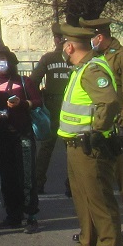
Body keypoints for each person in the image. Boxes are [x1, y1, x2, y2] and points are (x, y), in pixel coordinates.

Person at [54, 23, 123, 246]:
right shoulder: (80, 69)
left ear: (70, 47)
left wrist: (97, 129)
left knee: (100, 204)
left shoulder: (92, 70)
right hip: (76, 146)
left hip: (90, 147)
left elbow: (110, 101)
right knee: (83, 202)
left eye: (64, 44)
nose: (62, 48)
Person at [81, 17, 123, 241]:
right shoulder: (94, 57)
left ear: (99, 37)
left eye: (90, 38)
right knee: (98, 177)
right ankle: (99, 228)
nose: (88, 42)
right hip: (99, 126)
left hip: (119, 126)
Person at [0, 44, 40, 233]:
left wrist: (23, 103)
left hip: (23, 133)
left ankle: (31, 216)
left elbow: (38, 101)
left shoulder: (23, 81)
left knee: (27, 175)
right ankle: (13, 215)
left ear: (10, 61)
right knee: (8, 176)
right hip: (2, 135)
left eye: (3, 59)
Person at [30, 24, 73, 195]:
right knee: (72, 147)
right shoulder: (76, 59)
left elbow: (32, 82)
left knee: (46, 147)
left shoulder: (48, 59)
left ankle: (38, 183)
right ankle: (72, 185)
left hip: (51, 107)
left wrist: (39, 99)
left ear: (56, 39)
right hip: (72, 107)